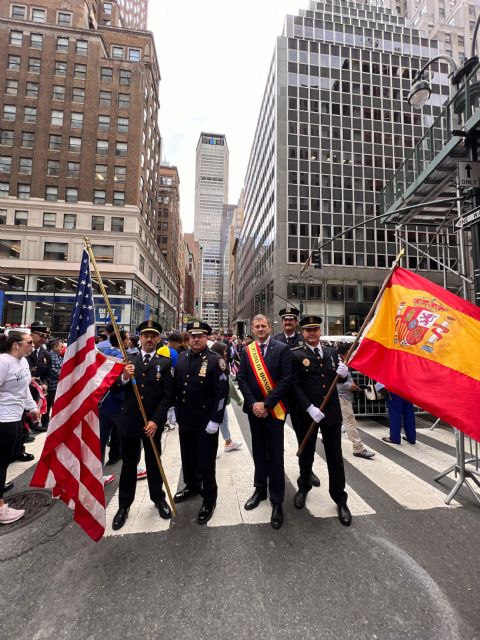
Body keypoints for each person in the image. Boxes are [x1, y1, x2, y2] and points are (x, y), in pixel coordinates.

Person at [110, 320, 173, 530]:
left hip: (152, 424)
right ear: (140, 338)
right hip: (129, 422)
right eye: (145, 335)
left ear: (158, 339)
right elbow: (115, 389)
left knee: (154, 462)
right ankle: (124, 506)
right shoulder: (129, 361)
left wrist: (156, 421)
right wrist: (125, 377)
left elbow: (167, 397)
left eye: (152, 336)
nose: (148, 339)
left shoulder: (164, 364)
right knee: (129, 465)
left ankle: (158, 499)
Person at [290, 316, 352, 526]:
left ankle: (340, 498)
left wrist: (344, 374)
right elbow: (294, 385)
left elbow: (337, 379)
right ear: (303, 333)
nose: (312, 333)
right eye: (308, 330)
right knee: (306, 452)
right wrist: (309, 407)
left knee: (335, 455)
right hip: (306, 412)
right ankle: (304, 486)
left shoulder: (332, 353)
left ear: (320, 331)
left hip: (331, 412)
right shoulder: (296, 355)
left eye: (315, 329)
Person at [237, 314, 292, 530]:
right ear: (252, 328)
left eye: (263, 326)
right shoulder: (247, 350)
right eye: (256, 326)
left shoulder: (281, 349)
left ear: (270, 327)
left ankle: (277, 501)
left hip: (275, 411)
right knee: (258, 451)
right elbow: (241, 379)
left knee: (275, 455)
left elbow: (286, 379)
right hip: (254, 412)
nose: (260, 329)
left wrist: (266, 404)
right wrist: (254, 405)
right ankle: (260, 489)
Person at [172, 320, 229, 524]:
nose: (196, 339)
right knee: (188, 458)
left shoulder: (215, 360)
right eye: (193, 336)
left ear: (207, 338)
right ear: (188, 338)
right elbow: (178, 386)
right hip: (186, 419)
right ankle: (192, 486)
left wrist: (216, 420)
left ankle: (209, 498)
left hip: (206, 422)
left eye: (201, 336)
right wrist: (173, 410)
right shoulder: (182, 357)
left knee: (206, 462)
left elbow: (222, 394)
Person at [274, 306, 320, 488]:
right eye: (285, 319)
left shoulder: (304, 340)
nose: (288, 322)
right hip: (280, 397)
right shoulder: (275, 341)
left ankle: (307, 471)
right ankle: (275, 470)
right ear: (282, 322)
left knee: (305, 437)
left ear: (295, 322)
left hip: (300, 398)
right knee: (276, 437)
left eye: (291, 319)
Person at [0, 331, 40, 524]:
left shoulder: (23, 362)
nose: (32, 346)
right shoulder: (3, 362)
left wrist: (32, 408)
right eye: (29, 343)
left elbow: (24, 389)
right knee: (0, 462)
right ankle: (0, 509)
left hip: (16, 417)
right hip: (2, 419)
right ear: (16, 345)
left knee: (7, 459)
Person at [336, 343, 375, 460]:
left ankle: (328, 438)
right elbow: (335, 384)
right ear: (347, 351)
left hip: (343, 396)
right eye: (352, 351)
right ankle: (358, 448)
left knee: (337, 420)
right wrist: (350, 386)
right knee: (350, 421)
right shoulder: (339, 363)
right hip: (342, 396)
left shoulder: (343, 361)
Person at [210, 341, 243, 452]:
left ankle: (228, 441)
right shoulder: (219, 363)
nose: (226, 353)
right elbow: (229, 385)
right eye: (224, 350)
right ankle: (222, 444)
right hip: (217, 399)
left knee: (222, 419)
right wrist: (238, 399)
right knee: (219, 421)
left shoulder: (212, 360)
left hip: (217, 399)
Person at [26, 322, 53, 431]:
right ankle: (26, 430)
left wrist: (45, 384)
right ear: (32, 334)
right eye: (42, 335)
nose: (44, 339)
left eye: (47, 336)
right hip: (24, 388)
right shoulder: (24, 350)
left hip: (38, 390)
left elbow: (48, 374)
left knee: (35, 409)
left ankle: (33, 426)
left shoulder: (46, 354)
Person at [46, 338, 63, 423]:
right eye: (61, 347)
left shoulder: (59, 356)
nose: (62, 348)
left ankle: (54, 421)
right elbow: (52, 371)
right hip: (51, 385)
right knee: (48, 405)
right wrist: (63, 375)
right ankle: (45, 422)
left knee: (56, 404)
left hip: (58, 385)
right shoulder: (50, 356)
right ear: (55, 347)